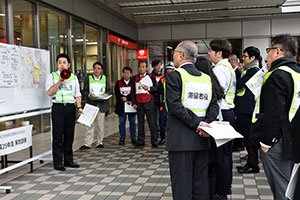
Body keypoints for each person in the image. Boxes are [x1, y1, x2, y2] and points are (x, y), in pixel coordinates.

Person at [166, 41, 219, 200]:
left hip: (181, 140)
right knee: (200, 183)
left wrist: (198, 124)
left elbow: (175, 106)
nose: (173, 56)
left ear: (181, 55)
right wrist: (205, 126)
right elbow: (214, 106)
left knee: (182, 185)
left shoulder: (174, 76)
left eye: (175, 52)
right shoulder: (206, 78)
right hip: (202, 139)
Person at [251, 34, 300, 200]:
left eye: (269, 50)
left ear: (278, 51)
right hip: (294, 140)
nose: (267, 55)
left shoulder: (276, 75)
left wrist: (266, 143)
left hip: (278, 142)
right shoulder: (297, 73)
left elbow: (274, 113)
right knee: (292, 187)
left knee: (282, 188)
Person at [208, 39, 236, 200]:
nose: (209, 53)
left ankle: (221, 190)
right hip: (228, 113)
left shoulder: (219, 70)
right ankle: (225, 186)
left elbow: (217, 94)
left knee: (221, 156)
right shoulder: (228, 67)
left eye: (211, 50)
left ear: (219, 53)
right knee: (225, 154)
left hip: (222, 115)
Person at [45, 53, 82, 171]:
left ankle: (68, 160)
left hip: (70, 108)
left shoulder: (73, 77)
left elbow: (77, 94)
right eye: (60, 62)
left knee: (69, 135)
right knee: (57, 136)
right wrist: (59, 81)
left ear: (69, 65)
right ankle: (58, 162)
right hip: (58, 107)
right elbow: (50, 92)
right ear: (57, 64)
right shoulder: (52, 76)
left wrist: (79, 107)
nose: (62, 65)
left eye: (64, 62)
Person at [195, 56, 224, 200]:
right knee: (213, 165)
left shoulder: (200, 83)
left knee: (203, 167)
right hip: (215, 127)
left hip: (204, 128)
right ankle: (213, 193)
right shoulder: (214, 82)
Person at [235, 46, 261, 174]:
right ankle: (250, 162)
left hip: (247, 109)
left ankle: (253, 164)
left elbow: (240, 85)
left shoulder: (253, 71)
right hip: (245, 108)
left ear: (252, 58)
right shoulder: (248, 70)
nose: (243, 59)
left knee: (249, 137)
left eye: (245, 56)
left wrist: (240, 85)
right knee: (247, 137)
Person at [80, 62, 111, 150]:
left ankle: (99, 142)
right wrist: (89, 95)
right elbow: (84, 91)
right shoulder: (88, 78)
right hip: (91, 104)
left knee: (100, 125)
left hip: (101, 104)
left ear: (101, 70)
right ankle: (87, 143)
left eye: (98, 68)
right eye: (95, 68)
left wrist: (106, 94)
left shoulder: (105, 78)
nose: (96, 70)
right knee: (89, 125)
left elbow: (109, 90)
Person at [131, 61, 158, 148]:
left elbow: (156, 89)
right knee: (140, 123)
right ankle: (140, 140)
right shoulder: (134, 78)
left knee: (152, 123)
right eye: (140, 67)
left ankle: (154, 140)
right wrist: (134, 103)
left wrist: (149, 88)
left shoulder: (151, 77)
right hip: (139, 103)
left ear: (146, 68)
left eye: (143, 67)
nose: (141, 69)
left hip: (149, 102)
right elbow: (132, 92)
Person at [114, 66, 136, 145]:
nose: (126, 75)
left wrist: (127, 98)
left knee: (132, 122)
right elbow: (116, 93)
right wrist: (122, 98)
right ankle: (122, 137)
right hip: (121, 106)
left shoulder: (133, 82)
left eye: (128, 73)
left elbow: (134, 93)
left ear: (130, 74)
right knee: (121, 122)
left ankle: (133, 138)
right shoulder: (118, 82)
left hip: (131, 106)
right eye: (125, 73)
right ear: (122, 73)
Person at [157, 62, 174, 145]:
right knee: (162, 120)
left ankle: (173, 138)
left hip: (174, 103)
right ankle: (163, 137)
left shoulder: (178, 78)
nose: (169, 70)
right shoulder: (162, 79)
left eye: (171, 69)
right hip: (164, 102)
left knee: (174, 121)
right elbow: (159, 90)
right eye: (168, 69)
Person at [151, 59, 163, 136]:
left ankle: (161, 130)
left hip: (162, 98)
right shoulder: (151, 76)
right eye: (157, 65)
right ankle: (157, 131)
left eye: (160, 65)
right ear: (153, 66)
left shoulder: (163, 75)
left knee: (162, 116)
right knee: (155, 116)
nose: (159, 67)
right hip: (154, 99)